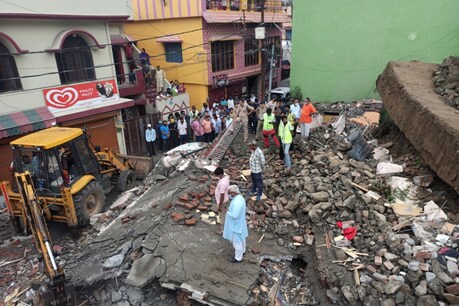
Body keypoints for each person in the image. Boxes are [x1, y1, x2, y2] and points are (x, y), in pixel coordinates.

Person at [223, 185, 248, 263]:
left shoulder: (237, 202)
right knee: (242, 238)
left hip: (235, 225)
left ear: (233, 193)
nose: (229, 195)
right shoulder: (240, 198)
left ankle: (238, 258)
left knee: (237, 242)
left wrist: (227, 211)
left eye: (229, 193)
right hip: (240, 223)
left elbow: (235, 215)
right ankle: (243, 250)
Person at [214, 167, 230, 232]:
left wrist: (220, 205)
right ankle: (226, 226)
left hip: (222, 202)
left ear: (220, 175)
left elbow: (222, 195)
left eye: (217, 175)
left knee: (222, 215)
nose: (216, 177)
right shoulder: (226, 177)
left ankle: (223, 229)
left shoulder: (222, 184)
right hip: (226, 199)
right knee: (225, 214)